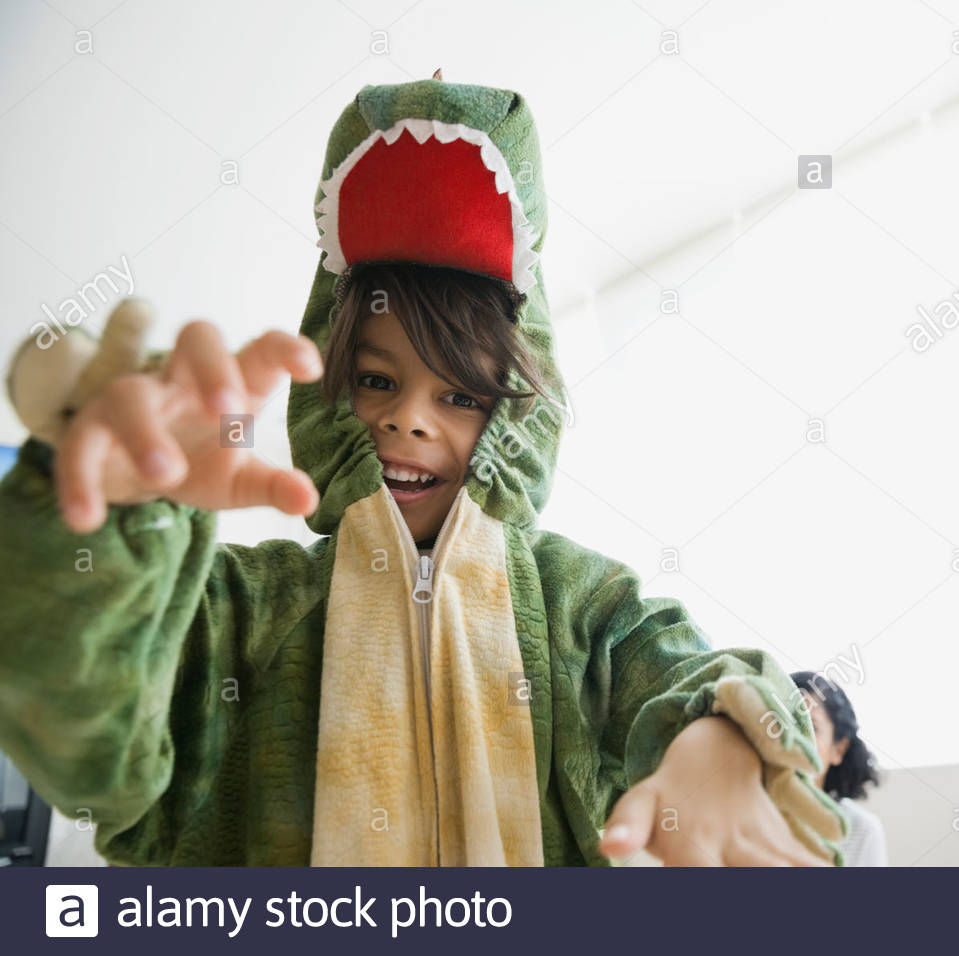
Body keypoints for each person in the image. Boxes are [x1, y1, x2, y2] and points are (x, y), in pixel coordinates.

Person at [0, 75, 850, 867]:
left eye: (462, 394)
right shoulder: (236, 615)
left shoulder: (589, 613)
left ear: (516, 413)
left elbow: (695, 676)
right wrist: (106, 524)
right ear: (329, 394)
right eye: (376, 381)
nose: (409, 418)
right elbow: (82, 744)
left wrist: (726, 740)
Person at [791, 671, 888, 866]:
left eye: (811, 727)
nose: (791, 737)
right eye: (783, 723)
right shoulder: (739, 810)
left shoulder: (861, 830)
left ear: (838, 749)